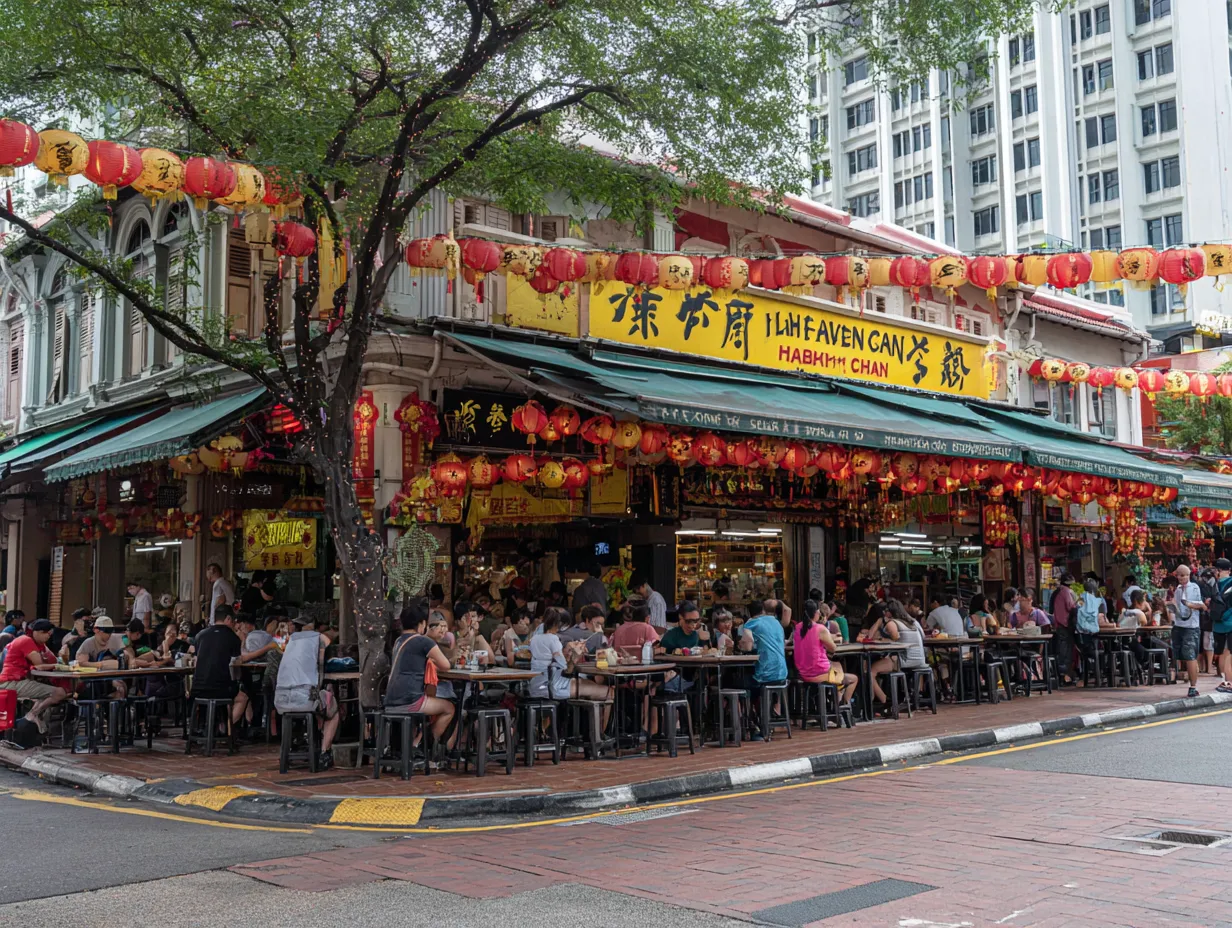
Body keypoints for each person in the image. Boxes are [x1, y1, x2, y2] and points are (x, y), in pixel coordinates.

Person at [385, 599, 456, 751]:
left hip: (391, 699)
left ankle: (416, 744)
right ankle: (423, 747)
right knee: (449, 708)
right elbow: (446, 665)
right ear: (422, 624)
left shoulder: (398, 641)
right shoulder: (423, 641)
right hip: (410, 700)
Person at [274, 613, 340, 769]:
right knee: (333, 707)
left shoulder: (287, 641)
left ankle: (293, 747)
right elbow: (321, 670)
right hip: (304, 698)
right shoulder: (319, 638)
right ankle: (324, 753)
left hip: (280, 699)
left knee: (317, 702)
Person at [530, 607, 613, 703]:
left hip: (537, 684)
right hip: (554, 687)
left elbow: (548, 657)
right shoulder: (553, 639)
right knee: (609, 692)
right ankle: (601, 718)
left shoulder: (536, 636)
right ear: (559, 624)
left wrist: (567, 649)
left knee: (589, 683)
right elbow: (567, 670)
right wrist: (575, 656)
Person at [0, 620, 70, 732]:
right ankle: (31, 716)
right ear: (38, 632)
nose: (49, 637)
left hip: (20, 680)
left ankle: (35, 721)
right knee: (59, 693)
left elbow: (52, 659)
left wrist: (61, 656)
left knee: (50, 692)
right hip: (12, 682)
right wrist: (59, 666)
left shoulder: (38, 643)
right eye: (47, 634)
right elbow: (40, 665)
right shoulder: (26, 641)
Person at [189, 605, 249, 728]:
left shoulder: (200, 635)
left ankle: (208, 729)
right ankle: (225, 729)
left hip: (197, 688)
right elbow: (237, 661)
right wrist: (242, 640)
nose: (233, 624)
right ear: (228, 619)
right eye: (233, 621)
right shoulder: (232, 637)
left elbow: (195, 660)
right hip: (221, 689)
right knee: (243, 697)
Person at [738, 598, 788, 739]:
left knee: (744, 688)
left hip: (765, 674)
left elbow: (748, 646)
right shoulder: (776, 622)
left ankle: (754, 725)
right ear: (764, 611)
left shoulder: (750, 624)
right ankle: (766, 718)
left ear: (749, 613)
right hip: (782, 673)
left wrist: (741, 644)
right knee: (754, 687)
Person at [793, 600, 857, 706]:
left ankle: (833, 703)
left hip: (802, 672)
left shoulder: (797, 627)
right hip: (819, 673)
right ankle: (840, 707)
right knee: (853, 678)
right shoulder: (820, 629)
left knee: (836, 666)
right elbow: (833, 648)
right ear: (816, 613)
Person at [1169, 565, 1205, 698]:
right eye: (1179, 575)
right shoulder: (1178, 589)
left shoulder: (1194, 588)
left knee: (1190, 655)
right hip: (1179, 624)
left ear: (1188, 575)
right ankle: (1178, 676)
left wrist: (1190, 604)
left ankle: (1193, 686)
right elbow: (1176, 606)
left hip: (1191, 626)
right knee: (1179, 653)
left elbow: (1202, 606)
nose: (1181, 578)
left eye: (1184, 575)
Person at [75, 616, 128, 698]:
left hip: (113, 677)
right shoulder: (88, 643)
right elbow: (80, 663)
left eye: (111, 630)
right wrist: (101, 665)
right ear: (96, 630)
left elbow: (128, 653)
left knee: (121, 687)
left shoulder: (116, 639)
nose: (109, 634)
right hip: (94, 680)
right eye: (106, 630)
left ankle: (116, 710)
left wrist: (126, 656)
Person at [1073, 578, 1104, 680]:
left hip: (1080, 639)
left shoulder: (1080, 600)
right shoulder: (1099, 601)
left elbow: (1074, 612)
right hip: (1093, 639)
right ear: (1095, 589)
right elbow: (1102, 618)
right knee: (1104, 649)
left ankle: (1087, 675)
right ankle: (1102, 672)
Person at [1050, 574, 1078, 685]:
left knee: (1061, 650)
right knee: (1066, 652)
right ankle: (1065, 677)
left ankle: (1061, 676)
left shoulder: (1056, 592)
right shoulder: (1066, 592)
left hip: (1058, 625)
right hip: (1065, 625)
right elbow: (1070, 606)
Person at [449, 601, 495, 665]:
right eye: (466, 617)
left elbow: (491, 660)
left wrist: (477, 636)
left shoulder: (478, 637)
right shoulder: (451, 636)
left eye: (473, 616)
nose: (470, 620)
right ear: (458, 620)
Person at [1211, 559, 1232, 692]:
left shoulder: (1214, 585)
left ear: (1218, 570)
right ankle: (1229, 683)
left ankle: (1226, 681)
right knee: (1229, 653)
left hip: (1218, 624)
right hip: (1230, 623)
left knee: (1223, 653)